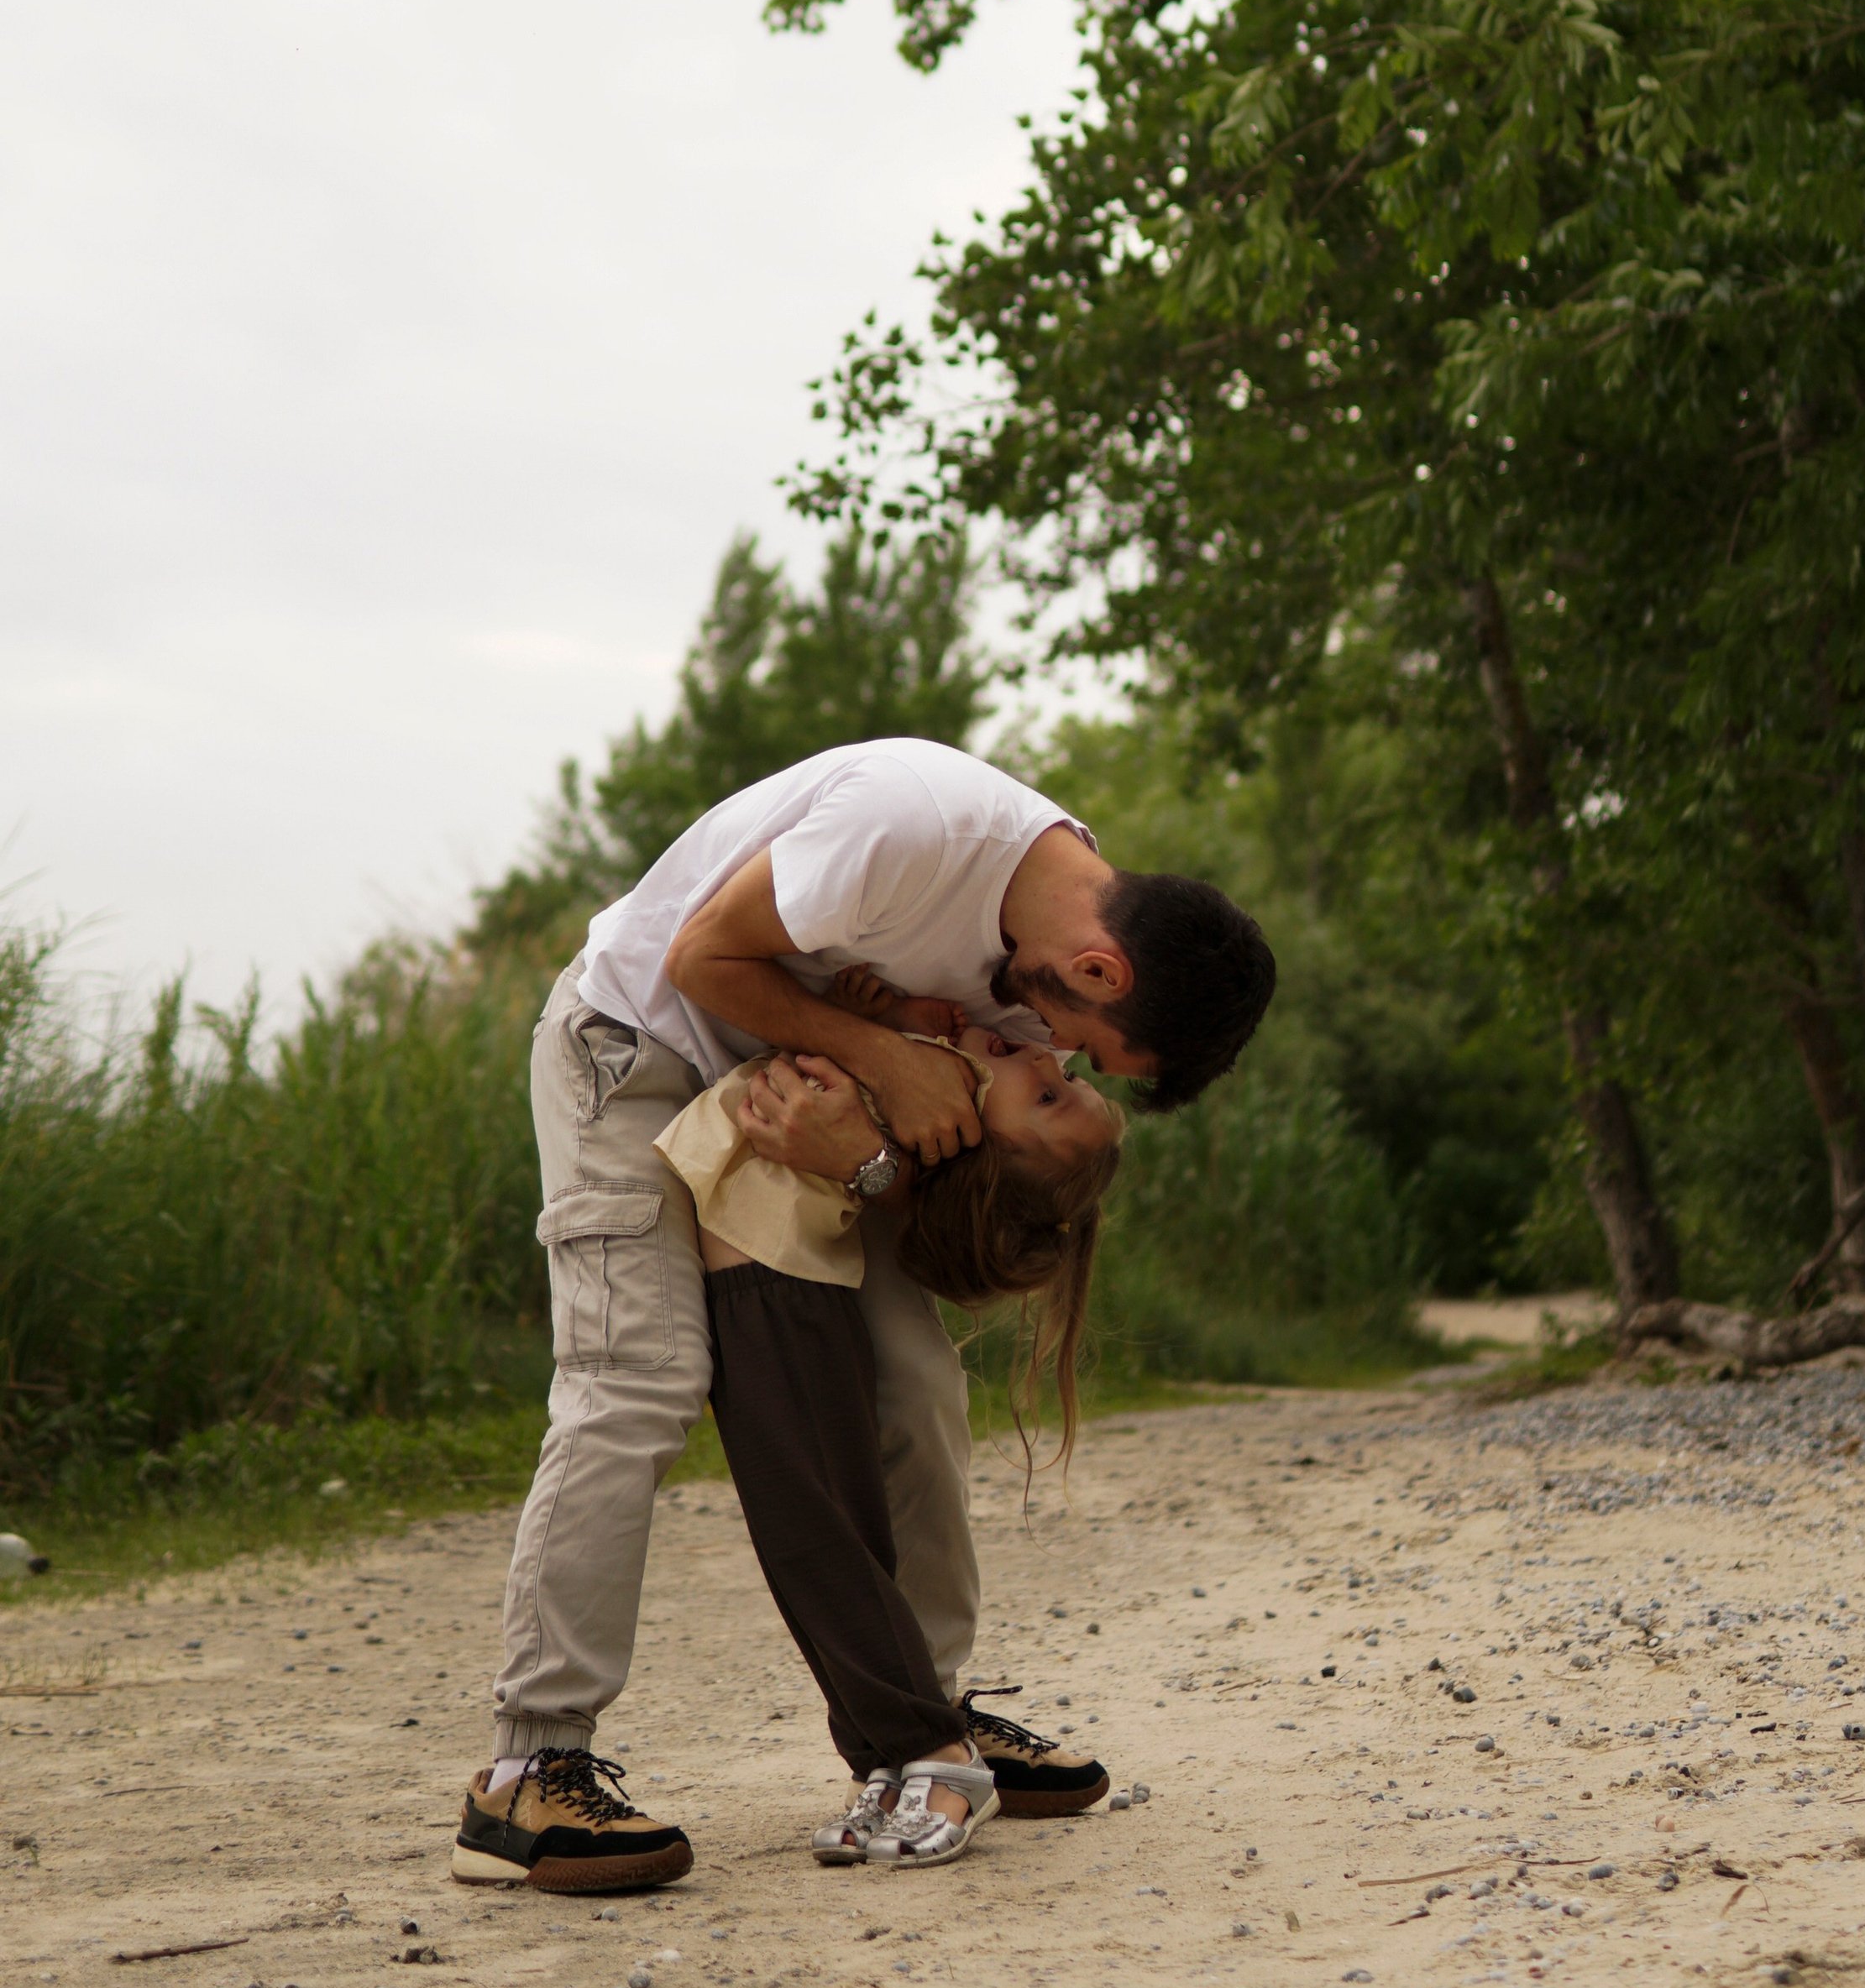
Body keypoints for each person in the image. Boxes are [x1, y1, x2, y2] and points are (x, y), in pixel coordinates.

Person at [453, 735, 1273, 1893]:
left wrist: (876, 1153)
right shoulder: (910, 827)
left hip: (808, 1106)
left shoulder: (1051, 957)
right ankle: (528, 1769)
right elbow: (701, 959)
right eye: (1090, 1048)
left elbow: (938, 1185)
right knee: (636, 1381)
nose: (1063, 1056)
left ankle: (921, 1717)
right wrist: (880, 1051)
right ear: (1100, 971)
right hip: (637, 1053)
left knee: (915, 1373)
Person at [662, 977, 1121, 1868]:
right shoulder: (957, 1055)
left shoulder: (943, 1095)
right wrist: (884, 1025)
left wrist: (886, 1044)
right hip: (759, 1244)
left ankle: (925, 1722)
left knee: (899, 1422)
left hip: (788, 1240)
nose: (1044, 1058)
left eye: (1054, 1089)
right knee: (811, 1507)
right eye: (1060, 1082)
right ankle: (921, 1735)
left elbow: (862, 1124)